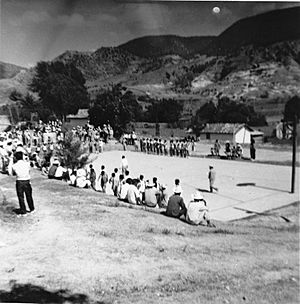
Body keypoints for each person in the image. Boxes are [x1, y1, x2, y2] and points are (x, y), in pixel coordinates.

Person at [11, 151, 35, 216]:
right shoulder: (27, 164)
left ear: (16, 158)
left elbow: (12, 173)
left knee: (21, 197)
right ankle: (32, 208)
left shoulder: (14, 165)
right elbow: (29, 170)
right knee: (29, 196)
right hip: (27, 180)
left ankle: (23, 210)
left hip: (19, 181)